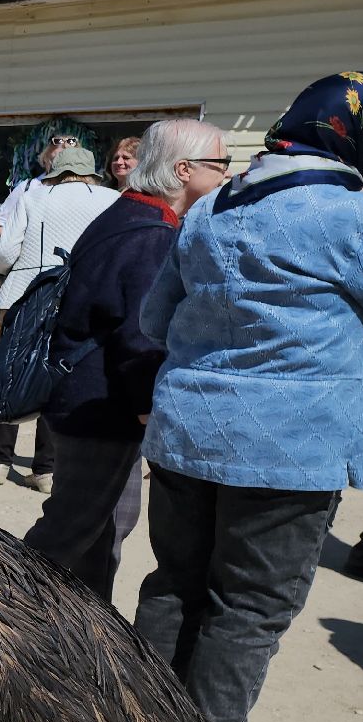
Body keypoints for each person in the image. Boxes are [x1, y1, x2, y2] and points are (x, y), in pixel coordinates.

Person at [135, 72, 363, 722]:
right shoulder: (349, 214)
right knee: (250, 609)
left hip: (184, 436)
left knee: (175, 585)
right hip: (288, 451)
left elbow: (152, 320)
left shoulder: (211, 210)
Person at [18, 119, 226, 599]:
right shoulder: (148, 231)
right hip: (98, 404)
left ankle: (87, 632)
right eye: (220, 165)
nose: (225, 177)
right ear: (183, 169)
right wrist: (148, 408)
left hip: (91, 398)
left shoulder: (135, 215)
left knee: (108, 525)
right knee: (71, 529)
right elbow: (141, 336)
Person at [0, 145, 118, 490]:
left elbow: (3, 252)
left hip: (29, 292)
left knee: (12, 368)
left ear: (56, 171)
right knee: (56, 375)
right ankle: (45, 469)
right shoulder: (110, 199)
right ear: (92, 171)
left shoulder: (35, 196)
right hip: (81, 296)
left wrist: (4, 268)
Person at [0, 134, 73, 235]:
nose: (58, 166)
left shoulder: (83, 190)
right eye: (54, 160)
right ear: (45, 158)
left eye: (64, 162)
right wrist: (17, 243)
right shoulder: (28, 187)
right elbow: (0, 222)